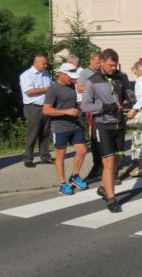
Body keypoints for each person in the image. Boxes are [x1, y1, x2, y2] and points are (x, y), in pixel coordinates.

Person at [81, 49, 128, 213]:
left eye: (115, 65)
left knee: (117, 161)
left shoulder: (121, 78)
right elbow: (85, 106)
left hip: (119, 125)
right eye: (110, 65)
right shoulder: (91, 81)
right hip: (102, 126)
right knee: (108, 163)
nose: (113, 68)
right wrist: (107, 107)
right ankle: (111, 199)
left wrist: (129, 104)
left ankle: (103, 186)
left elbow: (124, 98)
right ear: (101, 62)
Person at [42, 63, 88, 195]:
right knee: (60, 156)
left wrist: (79, 107)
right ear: (61, 73)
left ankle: (75, 176)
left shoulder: (72, 85)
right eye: (69, 76)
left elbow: (73, 103)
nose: (72, 79)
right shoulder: (53, 89)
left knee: (82, 150)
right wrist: (66, 111)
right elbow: (46, 110)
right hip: (60, 127)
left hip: (75, 124)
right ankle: (62, 184)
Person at [19, 54, 53, 167]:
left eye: (46, 63)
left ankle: (45, 156)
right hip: (33, 107)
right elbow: (29, 91)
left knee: (46, 132)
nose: (45, 65)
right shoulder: (26, 75)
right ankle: (28, 158)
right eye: (44, 63)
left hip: (46, 106)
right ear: (36, 62)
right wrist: (46, 89)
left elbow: (52, 88)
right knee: (33, 132)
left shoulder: (46, 75)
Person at [79, 51, 103, 182]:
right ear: (91, 60)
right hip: (91, 105)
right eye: (97, 62)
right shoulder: (85, 72)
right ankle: (94, 144)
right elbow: (79, 87)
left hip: (101, 105)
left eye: (100, 62)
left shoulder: (101, 72)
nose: (99, 64)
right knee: (93, 127)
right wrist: (94, 88)